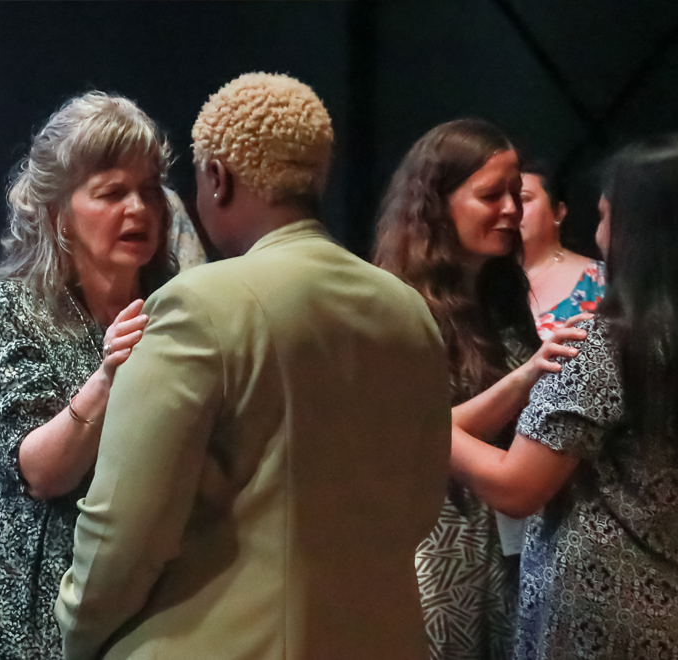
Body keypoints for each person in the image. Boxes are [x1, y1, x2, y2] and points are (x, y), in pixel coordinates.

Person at [54, 72, 451, 660]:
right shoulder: (407, 310)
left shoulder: (198, 304)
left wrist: (76, 628)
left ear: (217, 178)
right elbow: (420, 505)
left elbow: (126, 530)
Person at [449, 134, 678, 659]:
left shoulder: (608, 346)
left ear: (635, 230)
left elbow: (517, 487)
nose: (599, 236)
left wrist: (420, 423)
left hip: (608, 628)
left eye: (604, 218)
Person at [0, 92, 177, 660]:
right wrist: (107, 376)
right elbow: (42, 473)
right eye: (112, 192)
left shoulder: (181, 307)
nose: (139, 208)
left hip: (156, 596)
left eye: (150, 189)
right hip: (33, 605)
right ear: (59, 216)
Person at [373, 119, 584, 660]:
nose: (511, 210)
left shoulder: (504, 295)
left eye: (516, 194)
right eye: (491, 196)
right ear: (436, 203)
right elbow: (412, 438)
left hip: (514, 548)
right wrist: (526, 378)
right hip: (432, 547)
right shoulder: (394, 305)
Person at [519, 161, 605, 340]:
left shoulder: (600, 279)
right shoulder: (484, 279)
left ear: (558, 212)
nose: (512, 209)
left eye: (523, 199)